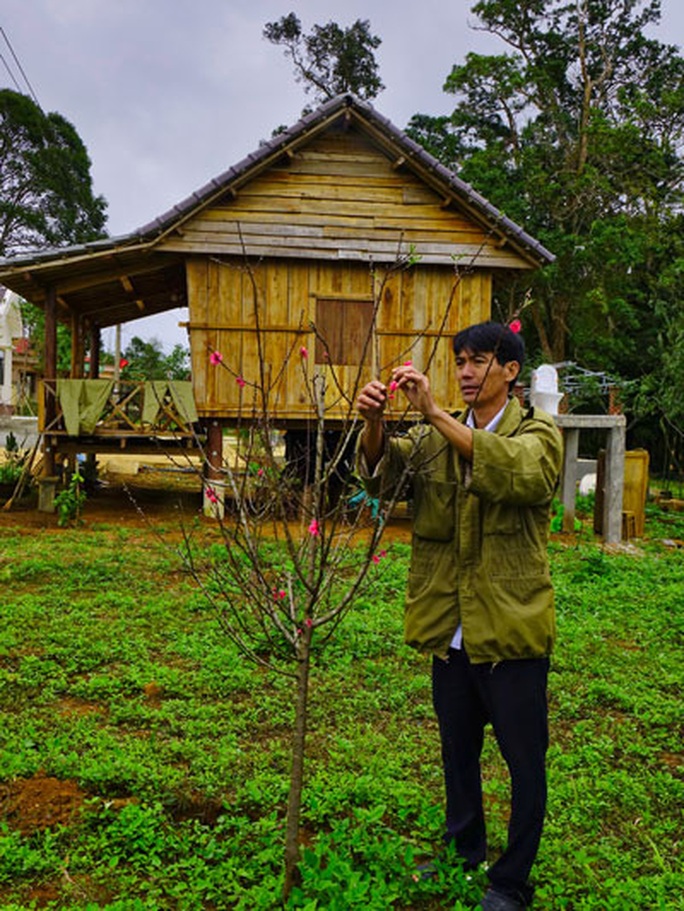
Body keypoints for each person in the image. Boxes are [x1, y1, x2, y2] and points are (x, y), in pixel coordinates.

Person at [356, 321, 563, 911]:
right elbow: (385, 474)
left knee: (524, 763)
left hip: (511, 629)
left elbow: (518, 474)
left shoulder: (538, 433)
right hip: (452, 630)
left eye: (479, 361)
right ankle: (463, 850)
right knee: (457, 750)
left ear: (510, 371)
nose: (467, 372)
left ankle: (511, 881)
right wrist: (373, 423)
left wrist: (434, 415)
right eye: (461, 362)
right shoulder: (433, 437)